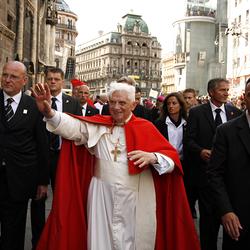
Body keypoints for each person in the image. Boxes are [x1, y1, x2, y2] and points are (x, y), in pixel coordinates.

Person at [32, 82, 200, 250]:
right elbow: (72, 126)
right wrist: (48, 112)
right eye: (112, 102)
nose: (116, 107)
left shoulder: (146, 127)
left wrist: (153, 157)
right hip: (101, 195)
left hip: (135, 197)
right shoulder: (98, 124)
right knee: (100, 241)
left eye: (122, 103)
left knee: (132, 241)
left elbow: (172, 160)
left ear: (134, 104)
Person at [185, 78, 242, 250]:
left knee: (233, 229)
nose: (226, 93)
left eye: (227, 90)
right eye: (222, 90)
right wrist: (200, 151)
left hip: (231, 179)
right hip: (206, 178)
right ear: (211, 92)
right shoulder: (197, 113)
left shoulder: (235, 112)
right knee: (209, 227)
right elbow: (188, 140)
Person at [0, 61, 49, 250]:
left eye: (13, 76)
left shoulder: (35, 105)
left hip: (20, 180)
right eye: (5, 75)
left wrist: (43, 181)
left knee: (13, 233)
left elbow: (42, 145)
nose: (7, 80)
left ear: (24, 80)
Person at [208, 78, 250, 250]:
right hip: (238, 218)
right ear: (244, 97)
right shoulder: (226, 131)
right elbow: (214, 173)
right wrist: (226, 210)